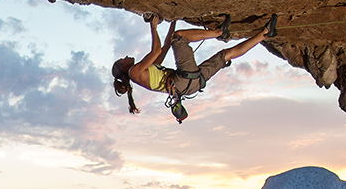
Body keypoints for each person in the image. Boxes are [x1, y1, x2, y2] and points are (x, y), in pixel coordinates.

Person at [112, 13, 276, 121]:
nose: (125, 57)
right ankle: (219, 32)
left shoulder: (143, 72)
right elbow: (157, 50)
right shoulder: (134, 72)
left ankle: (265, 33)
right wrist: (153, 26)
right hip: (182, 80)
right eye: (122, 59)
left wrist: (173, 21)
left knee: (226, 54)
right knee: (180, 37)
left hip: (191, 85)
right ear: (122, 67)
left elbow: (166, 46)